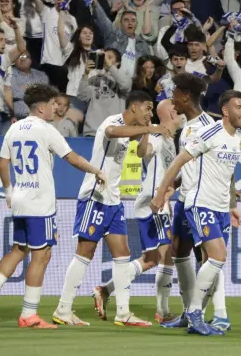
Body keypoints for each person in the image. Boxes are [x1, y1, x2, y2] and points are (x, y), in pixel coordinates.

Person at [0, 85, 107, 329]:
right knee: (41, 255)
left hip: (20, 198)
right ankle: (29, 314)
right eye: (53, 104)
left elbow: (3, 164)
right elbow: (71, 157)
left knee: (17, 250)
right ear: (41, 107)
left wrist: (8, 191)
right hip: (40, 202)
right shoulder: (46, 130)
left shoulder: (13, 129)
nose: (56, 108)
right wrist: (95, 170)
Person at [54, 90, 168, 327]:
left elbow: (139, 151)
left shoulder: (134, 130)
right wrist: (148, 128)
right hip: (94, 196)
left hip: (113, 201)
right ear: (134, 107)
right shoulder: (113, 122)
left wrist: (146, 130)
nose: (150, 112)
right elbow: (112, 132)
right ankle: (63, 309)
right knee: (84, 252)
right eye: (147, 108)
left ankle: (123, 313)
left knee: (123, 254)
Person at [150, 90, 241, 336]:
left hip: (221, 207)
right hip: (200, 203)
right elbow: (178, 161)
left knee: (211, 261)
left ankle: (194, 315)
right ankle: (194, 313)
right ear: (225, 111)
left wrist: (231, 206)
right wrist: (161, 192)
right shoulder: (210, 133)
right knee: (217, 256)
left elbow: (229, 173)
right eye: (239, 107)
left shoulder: (240, 139)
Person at [94, 98, 181, 324]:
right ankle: (162, 311)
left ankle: (105, 290)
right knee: (167, 256)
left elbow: (170, 176)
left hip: (156, 202)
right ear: (171, 114)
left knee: (151, 259)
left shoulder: (170, 141)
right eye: (176, 109)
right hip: (153, 203)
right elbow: (143, 152)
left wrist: (173, 188)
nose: (181, 112)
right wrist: (146, 134)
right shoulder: (157, 137)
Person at [155, 73, 221, 330]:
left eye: (174, 97)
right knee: (177, 250)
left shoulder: (206, 125)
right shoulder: (186, 127)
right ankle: (188, 311)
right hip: (186, 196)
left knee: (206, 256)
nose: (172, 103)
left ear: (185, 96)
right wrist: (176, 185)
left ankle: (202, 312)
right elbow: (192, 165)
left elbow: (215, 165)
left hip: (203, 199)